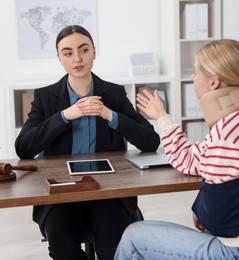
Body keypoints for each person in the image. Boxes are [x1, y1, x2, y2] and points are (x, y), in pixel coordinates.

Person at [114, 39, 239, 259]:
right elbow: (190, 159)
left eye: (196, 72)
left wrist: (200, 209)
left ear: (214, 83)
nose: (193, 78)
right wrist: (162, 117)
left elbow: (212, 214)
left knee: (134, 237)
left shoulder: (229, 134)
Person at [15, 25, 160, 260]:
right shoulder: (44, 97)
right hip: (61, 193)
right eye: (68, 53)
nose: (77, 59)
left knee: (111, 249)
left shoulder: (114, 94)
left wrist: (109, 114)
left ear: (94, 52)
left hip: (108, 192)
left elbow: (150, 141)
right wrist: (65, 115)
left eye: (84, 50)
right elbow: (24, 147)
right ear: (59, 58)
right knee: (62, 249)